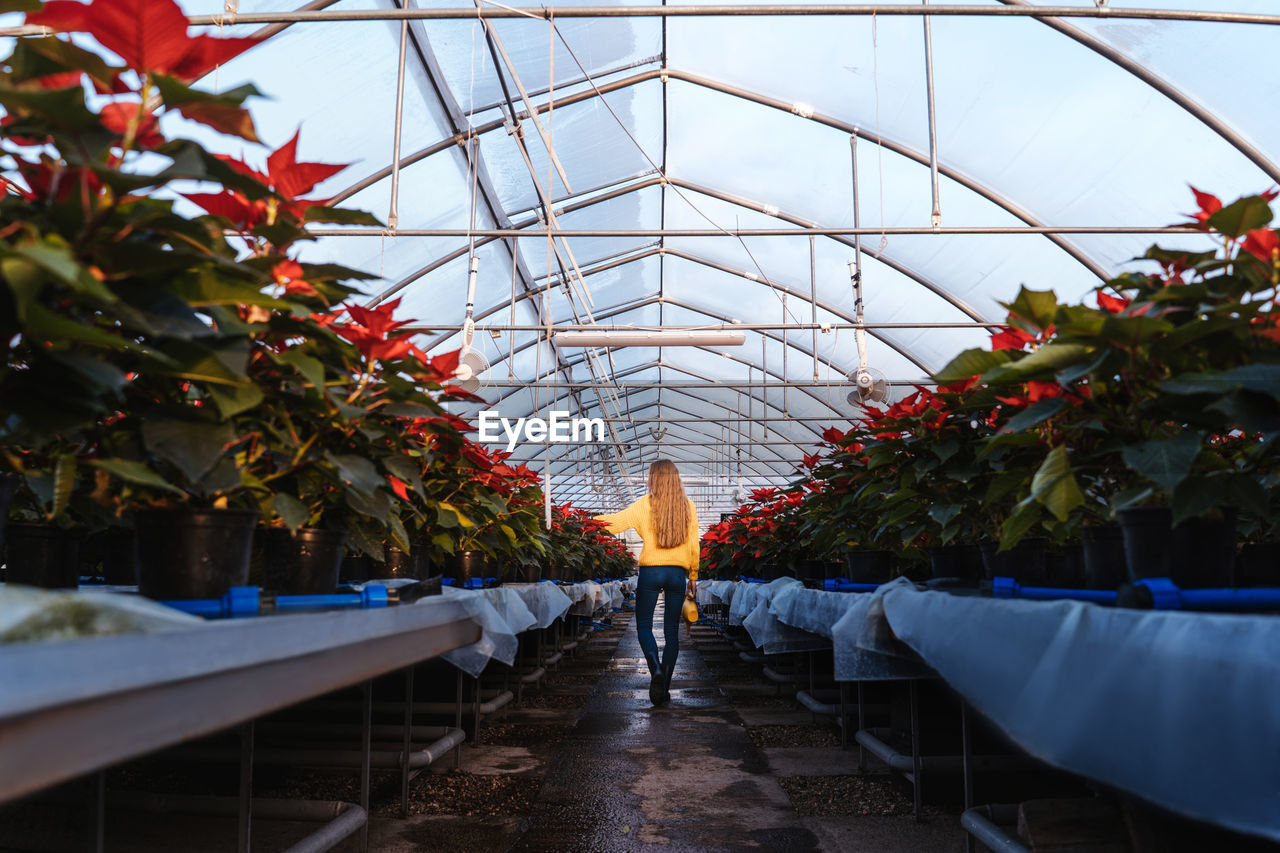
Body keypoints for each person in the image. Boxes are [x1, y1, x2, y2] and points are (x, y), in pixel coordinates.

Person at [596, 459, 699, 706]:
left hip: (650, 573)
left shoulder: (644, 505)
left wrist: (586, 521)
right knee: (671, 632)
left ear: (654, 478)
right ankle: (663, 687)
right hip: (676, 574)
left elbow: (614, 522)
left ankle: (656, 670)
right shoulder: (688, 507)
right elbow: (695, 546)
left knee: (644, 626)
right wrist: (693, 576)